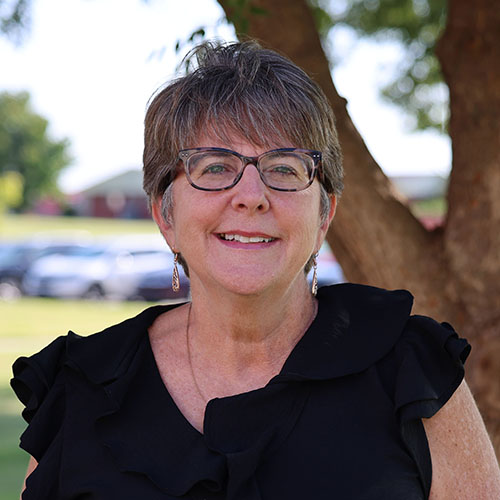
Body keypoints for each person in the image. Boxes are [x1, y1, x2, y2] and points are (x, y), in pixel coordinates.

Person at [11, 40, 500, 500]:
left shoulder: (413, 372)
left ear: (324, 215)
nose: (251, 195)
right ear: (166, 215)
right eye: (215, 167)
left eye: (284, 168)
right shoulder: (79, 389)